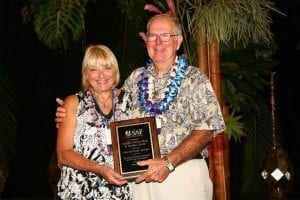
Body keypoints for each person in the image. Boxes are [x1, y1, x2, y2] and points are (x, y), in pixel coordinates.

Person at [56, 14, 225, 200]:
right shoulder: (136, 79)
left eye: (166, 36)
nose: (158, 42)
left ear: (178, 42)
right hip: (139, 180)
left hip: (181, 174)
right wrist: (71, 111)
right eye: (152, 36)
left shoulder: (195, 79)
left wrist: (168, 163)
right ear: (146, 41)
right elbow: (105, 97)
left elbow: (206, 130)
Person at [55, 44, 133, 200]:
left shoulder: (130, 102)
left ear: (115, 71)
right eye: (93, 69)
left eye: (107, 68)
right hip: (78, 192)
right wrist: (100, 169)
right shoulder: (74, 103)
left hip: (120, 194)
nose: (101, 75)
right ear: (86, 74)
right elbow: (63, 155)